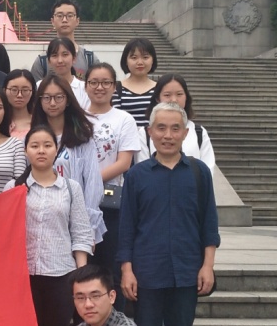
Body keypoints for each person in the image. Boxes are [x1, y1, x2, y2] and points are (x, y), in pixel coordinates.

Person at [118, 101, 220, 326]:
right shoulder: (137, 175)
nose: (168, 135)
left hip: (186, 272)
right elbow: (127, 228)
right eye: (161, 128)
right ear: (150, 132)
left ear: (185, 133)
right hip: (147, 272)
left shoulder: (199, 173)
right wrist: (127, 270)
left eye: (175, 128)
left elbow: (209, 224)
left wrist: (208, 266)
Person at [6, 125, 94, 326]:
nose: (41, 151)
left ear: (56, 150)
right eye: (34, 146)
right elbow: (5, 234)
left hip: (61, 275)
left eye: (47, 145)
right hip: (24, 278)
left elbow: (81, 233)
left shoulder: (71, 188)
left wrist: (81, 275)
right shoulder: (14, 188)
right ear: (26, 151)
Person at [84, 63, 142, 306]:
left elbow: (124, 162)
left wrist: (90, 182)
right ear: (86, 86)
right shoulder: (75, 116)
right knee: (84, 269)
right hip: (79, 205)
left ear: (114, 87)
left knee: (110, 268)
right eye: (94, 82)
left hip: (110, 204)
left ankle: (114, 321)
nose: (100, 87)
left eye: (106, 82)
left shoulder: (124, 119)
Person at [32, 74, 106, 246]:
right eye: (47, 98)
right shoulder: (33, 137)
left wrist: (88, 228)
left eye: (58, 97)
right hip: (42, 219)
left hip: (76, 220)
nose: (52, 103)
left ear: (67, 100)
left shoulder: (82, 137)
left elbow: (93, 183)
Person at [136, 74, 215, 169]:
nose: (174, 100)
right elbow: (142, 169)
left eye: (179, 94)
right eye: (167, 95)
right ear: (157, 99)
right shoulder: (145, 133)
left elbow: (207, 168)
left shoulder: (199, 132)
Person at [30, 0, 97, 82]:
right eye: (60, 16)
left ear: (77, 21)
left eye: (70, 15)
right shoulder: (42, 61)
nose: (64, 20)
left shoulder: (89, 59)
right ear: (52, 21)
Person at [113, 38, 159, 128]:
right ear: (126, 61)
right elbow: (116, 120)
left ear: (153, 60)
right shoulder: (117, 88)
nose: (140, 62)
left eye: (145, 57)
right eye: (134, 58)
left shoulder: (160, 89)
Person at [44, 37, 90, 109]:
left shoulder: (85, 89)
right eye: (54, 55)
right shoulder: (40, 86)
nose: (60, 60)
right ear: (49, 61)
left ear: (74, 58)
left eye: (65, 54)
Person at [5, 69, 36, 140]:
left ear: (32, 92)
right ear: (4, 90)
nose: (19, 95)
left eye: (25, 90)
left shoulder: (39, 122)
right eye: (14, 90)